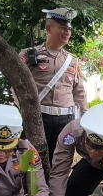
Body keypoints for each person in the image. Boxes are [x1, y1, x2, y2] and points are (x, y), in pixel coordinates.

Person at [23, 8, 88, 147]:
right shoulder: (30, 55)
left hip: (66, 120)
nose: (67, 32)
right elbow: (16, 84)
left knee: (62, 157)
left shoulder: (72, 61)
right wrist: (24, 110)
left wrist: (85, 117)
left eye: (69, 29)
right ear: (48, 28)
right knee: (34, 157)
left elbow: (79, 92)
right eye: (62, 28)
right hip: (38, 118)